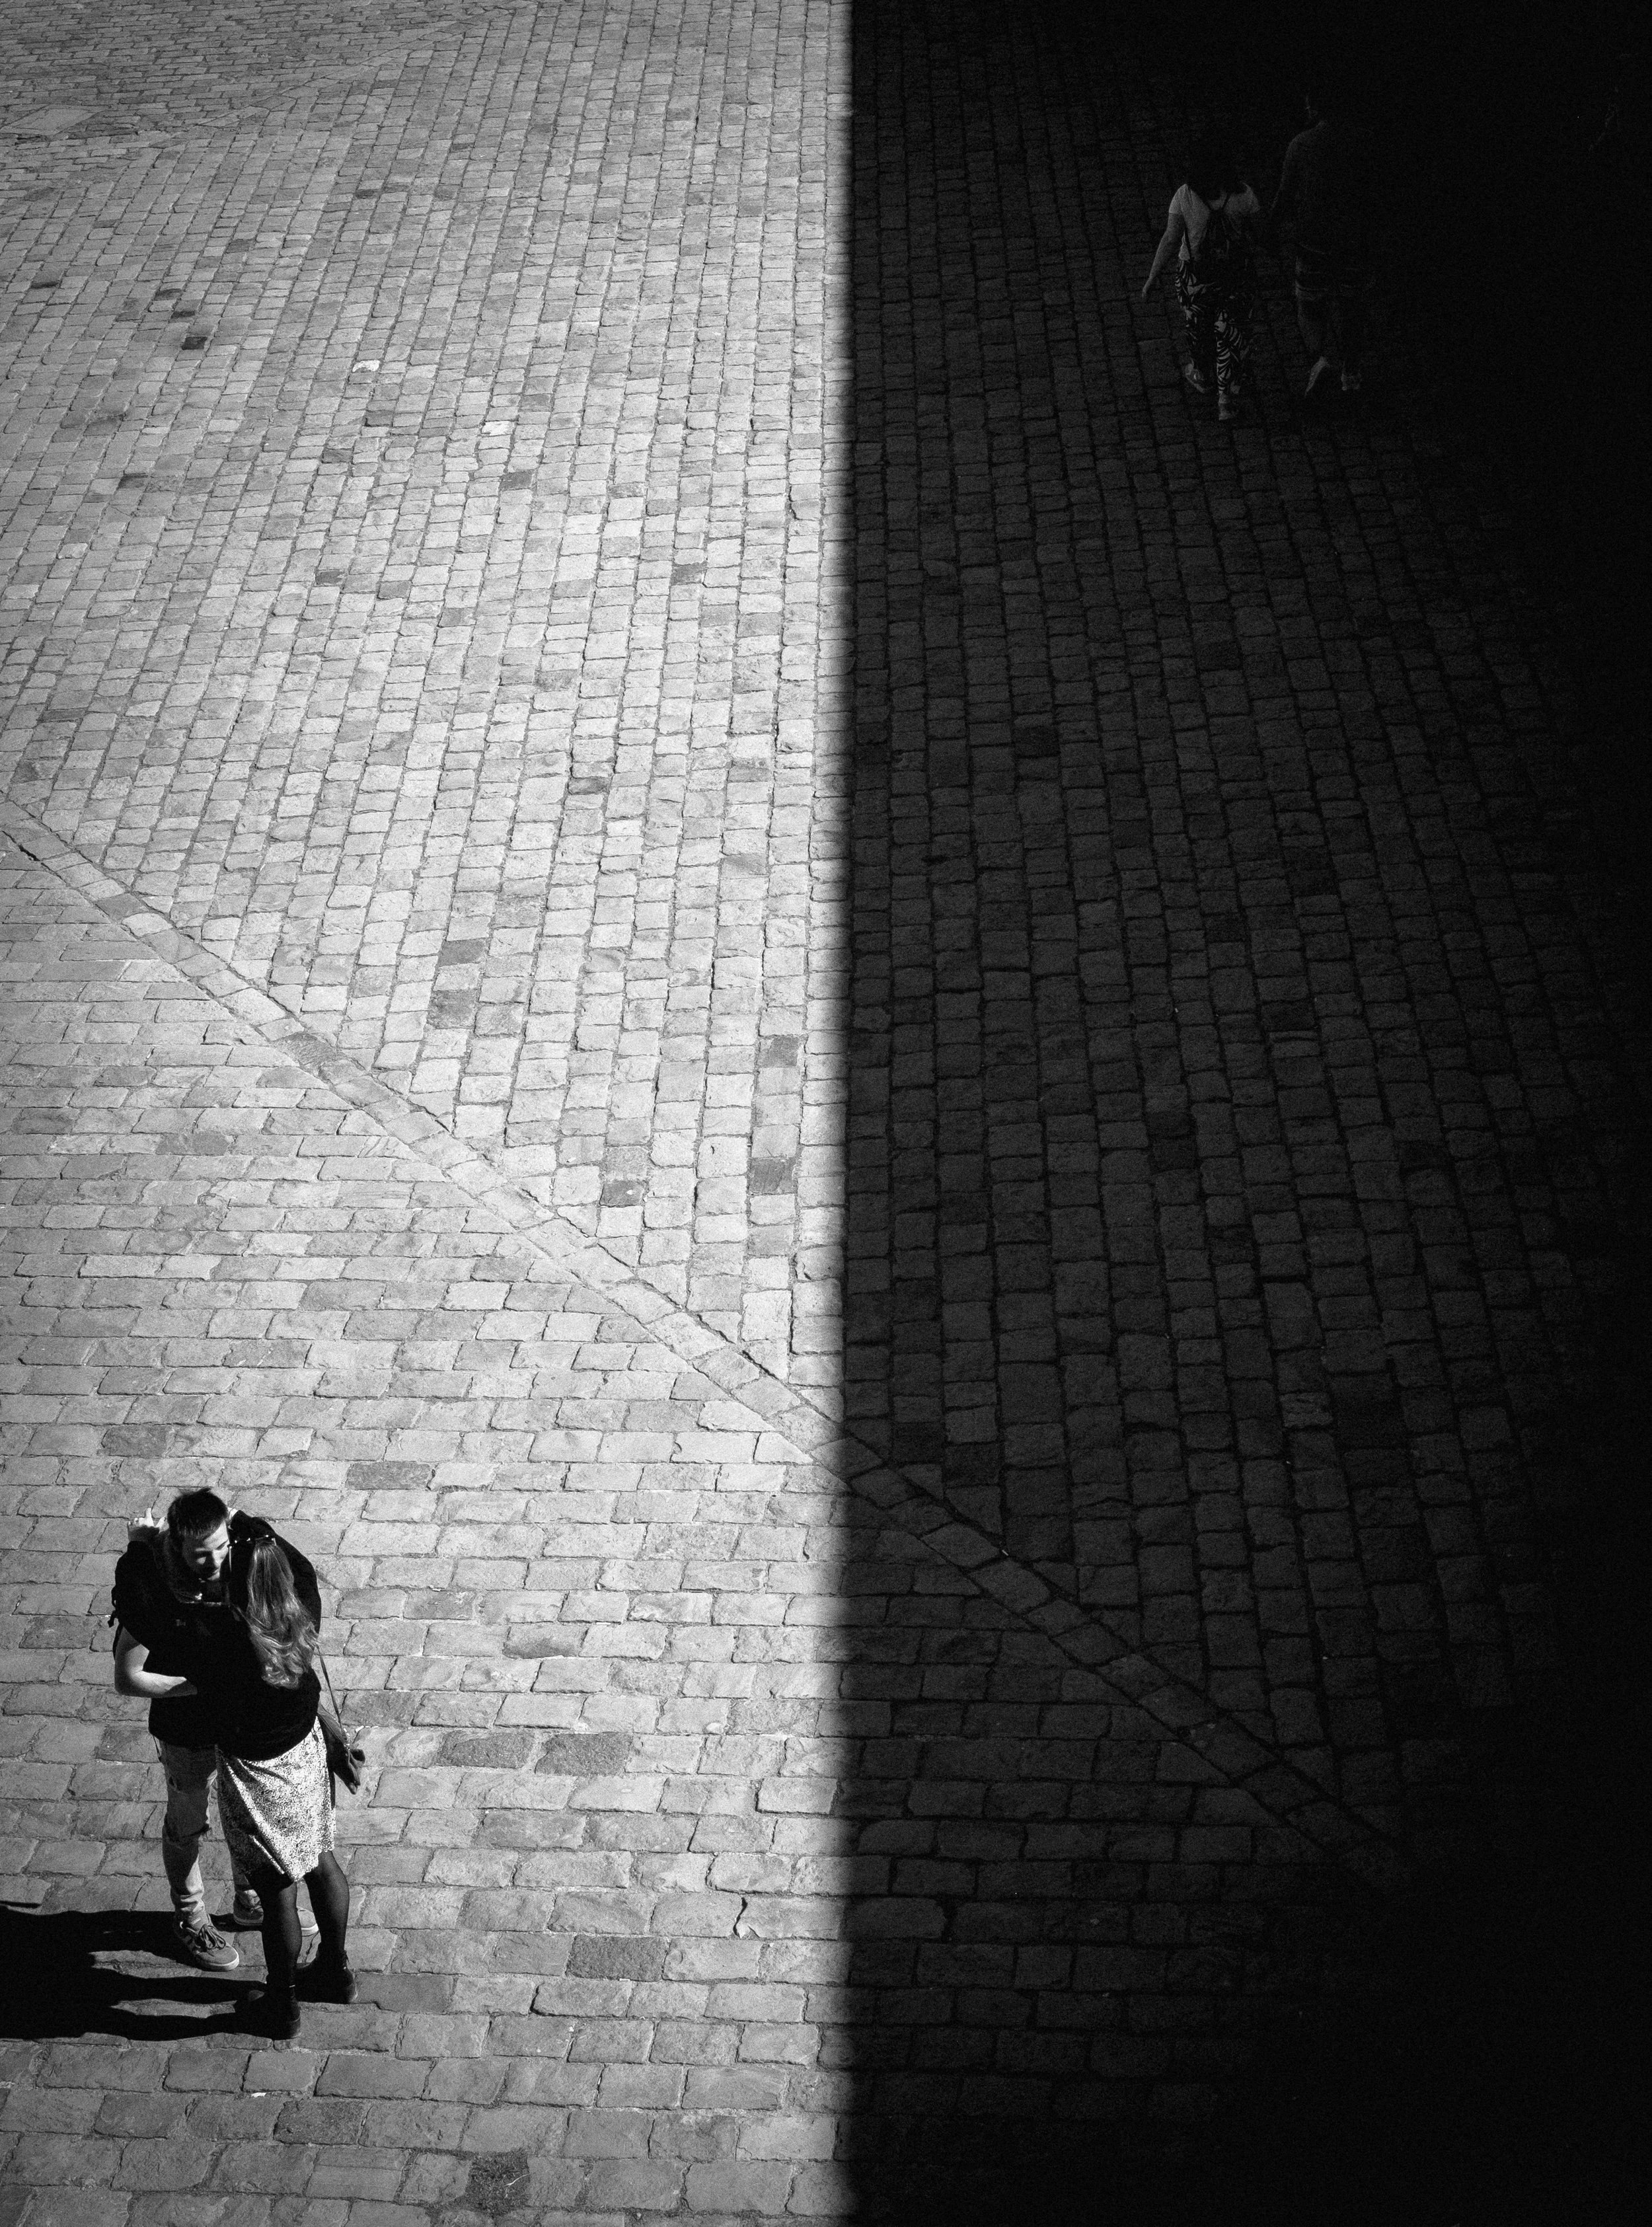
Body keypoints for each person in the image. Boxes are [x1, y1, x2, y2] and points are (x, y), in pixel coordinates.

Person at [207, 1525, 356, 2039]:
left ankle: (282, 2004)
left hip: (258, 1776)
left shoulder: (226, 1640)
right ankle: (335, 1972)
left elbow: (154, 1620)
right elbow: (305, 1567)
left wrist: (138, 1553)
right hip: (305, 1756)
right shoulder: (304, 1610)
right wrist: (255, 1530)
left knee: (276, 1894)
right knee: (320, 1860)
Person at [112, 1490, 262, 1969]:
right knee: (188, 1824)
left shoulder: (243, 1563)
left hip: (241, 1723)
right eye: (202, 1554)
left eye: (222, 1547)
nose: (217, 1561)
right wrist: (200, 1686)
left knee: (248, 1818)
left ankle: (250, 1898)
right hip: (185, 1728)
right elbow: (129, 1677)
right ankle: (191, 1918)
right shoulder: (154, 1589)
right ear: (175, 1547)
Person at [1143, 124, 1264, 423]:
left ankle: (1201, 372)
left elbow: (1171, 239)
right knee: (1229, 331)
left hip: (1194, 276)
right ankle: (1226, 398)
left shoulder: (1185, 196)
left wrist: (1152, 277)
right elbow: (1261, 234)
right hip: (1235, 274)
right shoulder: (1244, 195)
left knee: (1199, 327)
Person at [1270, 77, 1374, 405]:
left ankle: (1320, 359)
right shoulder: (1364, 142)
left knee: (1309, 305)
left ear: (1315, 108)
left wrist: (1270, 230)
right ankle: (1352, 373)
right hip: (1354, 243)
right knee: (1352, 306)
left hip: (1313, 243)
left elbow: (1284, 197)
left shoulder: (1300, 145)